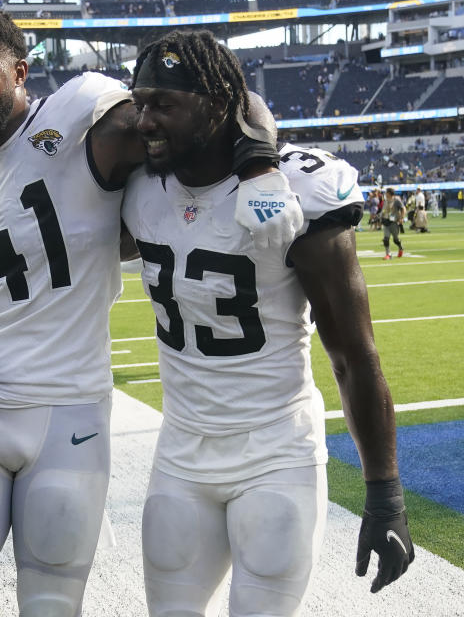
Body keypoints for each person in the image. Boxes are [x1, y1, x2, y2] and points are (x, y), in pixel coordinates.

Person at [0, 7, 298, 617]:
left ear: (20, 72)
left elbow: (226, 97)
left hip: (71, 415)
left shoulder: (83, 117)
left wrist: (258, 164)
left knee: (50, 605)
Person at [122, 30, 414, 616]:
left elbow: (354, 354)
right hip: (180, 451)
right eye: (142, 102)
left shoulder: (297, 190)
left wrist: (385, 494)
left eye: (165, 106)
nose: (146, 121)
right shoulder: (134, 183)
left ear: (213, 103)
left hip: (274, 452)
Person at [382, 187, 406, 259]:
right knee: (386, 238)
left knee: (396, 240)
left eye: (386, 192)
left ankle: (400, 247)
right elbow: (384, 210)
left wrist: (401, 218)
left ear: (389, 193)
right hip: (386, 221)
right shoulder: (386, 200)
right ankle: (388, 254)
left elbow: (403, 209)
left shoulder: (396, 200)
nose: (385, 194)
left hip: (394, 222)